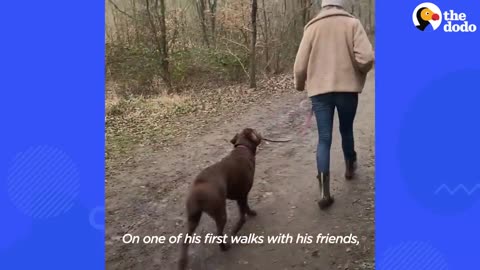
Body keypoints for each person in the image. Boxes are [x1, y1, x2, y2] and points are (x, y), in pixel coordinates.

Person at [293, 0, 374, 210]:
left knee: (324, 139)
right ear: (341, 4)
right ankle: (350, 167)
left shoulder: (311, 27)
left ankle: (323, 192)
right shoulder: (352, 24)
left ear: (323, 5)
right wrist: (357, 71)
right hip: (347, 91)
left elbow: (300, 66)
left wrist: (300, 85)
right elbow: (366, 58)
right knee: (346, 130)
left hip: (320, 93)